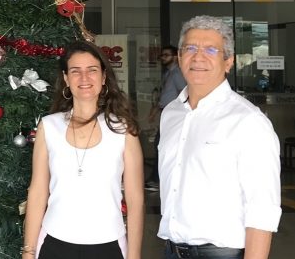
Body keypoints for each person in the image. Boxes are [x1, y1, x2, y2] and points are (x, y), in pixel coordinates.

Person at [158, 16, 281, 259]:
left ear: (228, 62)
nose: (198, 57)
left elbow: (262, 210)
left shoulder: (248, 121)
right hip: (172, 251)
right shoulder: (171, 113)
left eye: (211, 50)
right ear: (180, 58)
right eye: (190, 48)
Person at [23, 40, 144, 259]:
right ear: (66, 79)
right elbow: (38, 192)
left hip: (109, 246)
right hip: (53, 245)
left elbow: (136, 200)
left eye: (92, 70)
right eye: (75, 71)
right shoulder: (49, 126)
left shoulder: (124, 129)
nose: (84, 78)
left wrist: (134, 255)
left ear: (104, 77)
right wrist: (28, 252)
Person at [145, 45, 186, 190]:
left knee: (161, 146)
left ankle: (157, 180)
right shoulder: (168, 73)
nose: (163, 58)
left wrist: (180, 115)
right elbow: (165, 95)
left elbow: (183, 94)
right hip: (166, 114)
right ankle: (157, 179)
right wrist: (154, 112)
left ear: (175, 57)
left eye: (166, 55)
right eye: (162, 55)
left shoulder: (177, 74)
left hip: (174, 117)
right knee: (161, 145)